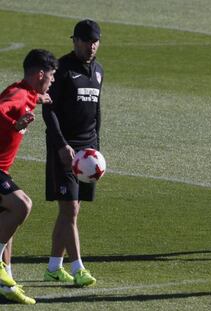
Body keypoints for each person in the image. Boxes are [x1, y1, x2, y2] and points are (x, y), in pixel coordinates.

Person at [42, 19, 104, 287]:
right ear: (75, 41)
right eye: (86, 41)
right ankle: (78, 267)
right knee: (70, 209)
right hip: (65, 150)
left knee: (72, 209)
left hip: (87, 153)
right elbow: (49, 109)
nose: (91, 47)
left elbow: (96, 111)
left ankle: (54, 267)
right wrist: (61, 146)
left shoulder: (99, 71)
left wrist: (97, 149)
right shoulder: (62, 69)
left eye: (95, 42)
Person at [0, 48, 58, 304]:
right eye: (52, 75)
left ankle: (6, 285)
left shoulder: (29, 93)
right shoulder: (18, 94)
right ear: (40, 74)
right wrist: (15, 124)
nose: (53, 80)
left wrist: (39, 98)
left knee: (7, 223)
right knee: (21, 205)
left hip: (2, 170)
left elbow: (28, 97)